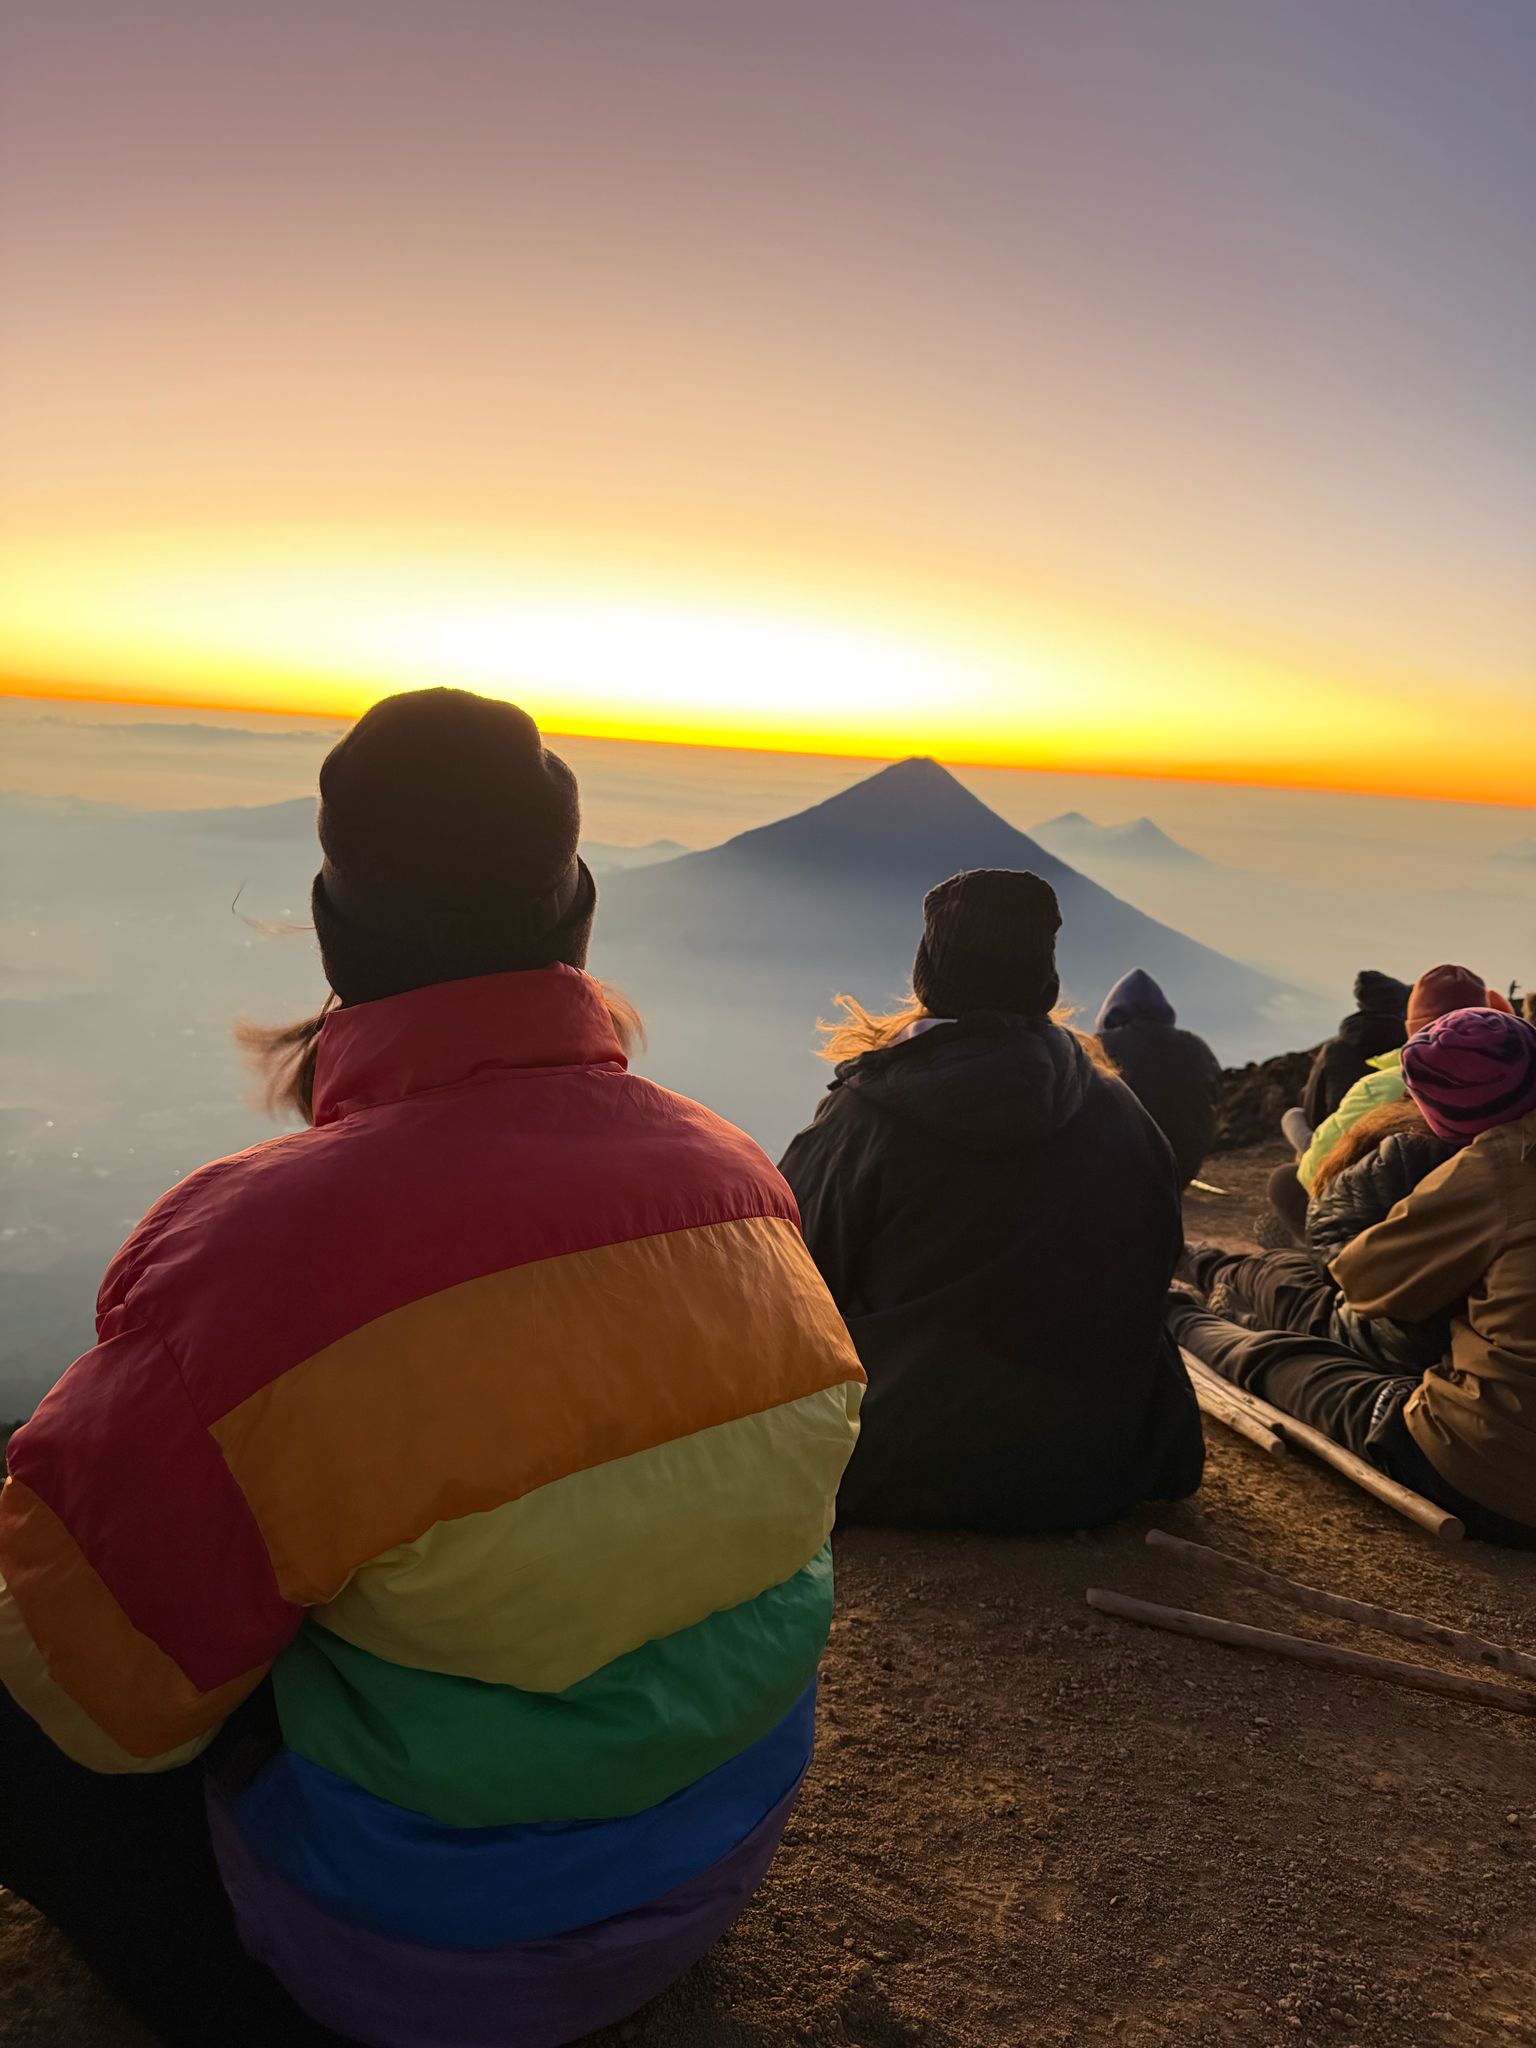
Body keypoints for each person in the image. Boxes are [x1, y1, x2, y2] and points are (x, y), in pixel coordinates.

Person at [0, 689, 865, 2048]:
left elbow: (96, 1710)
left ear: (332, 931)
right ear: (578, 919)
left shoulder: (251, 1258)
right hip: (705, 1869)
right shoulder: (735, 1179)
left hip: (414, 1967)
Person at [779, 868, 1204, 1534]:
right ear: (1046, 980)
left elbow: (792, 1283)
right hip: (1101, 1462)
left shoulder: (868, 1119)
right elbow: (1152, 1270)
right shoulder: (1122, 1113)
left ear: (928, 974)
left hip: (902, 1458)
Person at [1172, 1007, 1536, 1545]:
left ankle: (1173, 1309)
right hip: (1455, 1387)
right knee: (1283, 1289)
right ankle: (1195, 1274)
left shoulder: (1502, 1164)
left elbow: (1362, 1280)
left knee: (1286, 1363)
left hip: (1490, 1471)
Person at [1186, 1096, 1455, 1371]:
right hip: (1437, 1327)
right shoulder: (1488, 1150)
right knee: (1287, 1273)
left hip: (1405, 1337)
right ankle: (1213, 1274)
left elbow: (1335, 1258)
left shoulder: (1408, 1141)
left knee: (1280, 1280)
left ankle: (1203, 1280)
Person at [1265, 961, 1488, 1242]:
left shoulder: (1383, 1083)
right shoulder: (1510, 1077)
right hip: (1472, 1223)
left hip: (1382, 1238)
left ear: (1412, 1026)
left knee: (1286, 1177)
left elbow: (1316, 1172)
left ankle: (1317, 1266)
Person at [1094, 967, 1223, 1186]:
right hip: (1183, 1168)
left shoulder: (1100, 1046)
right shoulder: (1196, 1046)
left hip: (1120, 1174)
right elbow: (1216, 1098)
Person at [1299, 969, 1410, 1130]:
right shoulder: (1406, 1043)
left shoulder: (1337, 1047)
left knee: (1293, 1116)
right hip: (1380, 1130)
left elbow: (1320, 1104)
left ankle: (1303, 1154)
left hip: (1333, 1134)